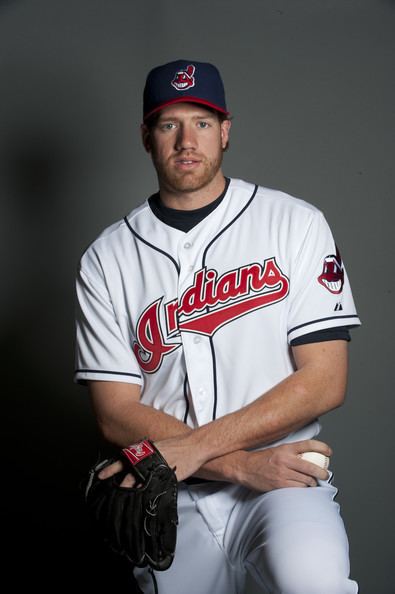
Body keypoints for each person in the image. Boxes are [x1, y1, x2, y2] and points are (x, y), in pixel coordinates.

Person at [75, 59, 360, 594]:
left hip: (284, 483)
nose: (187, 139)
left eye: (202, 123)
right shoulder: (105, 258)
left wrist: (203, 452)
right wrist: (238, 466)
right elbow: (115, 415)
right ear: (145, 136)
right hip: (169, 494)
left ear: (225, 132)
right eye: (169, 124)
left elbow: (325, 379)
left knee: (314, 582)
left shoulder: (294, 223)